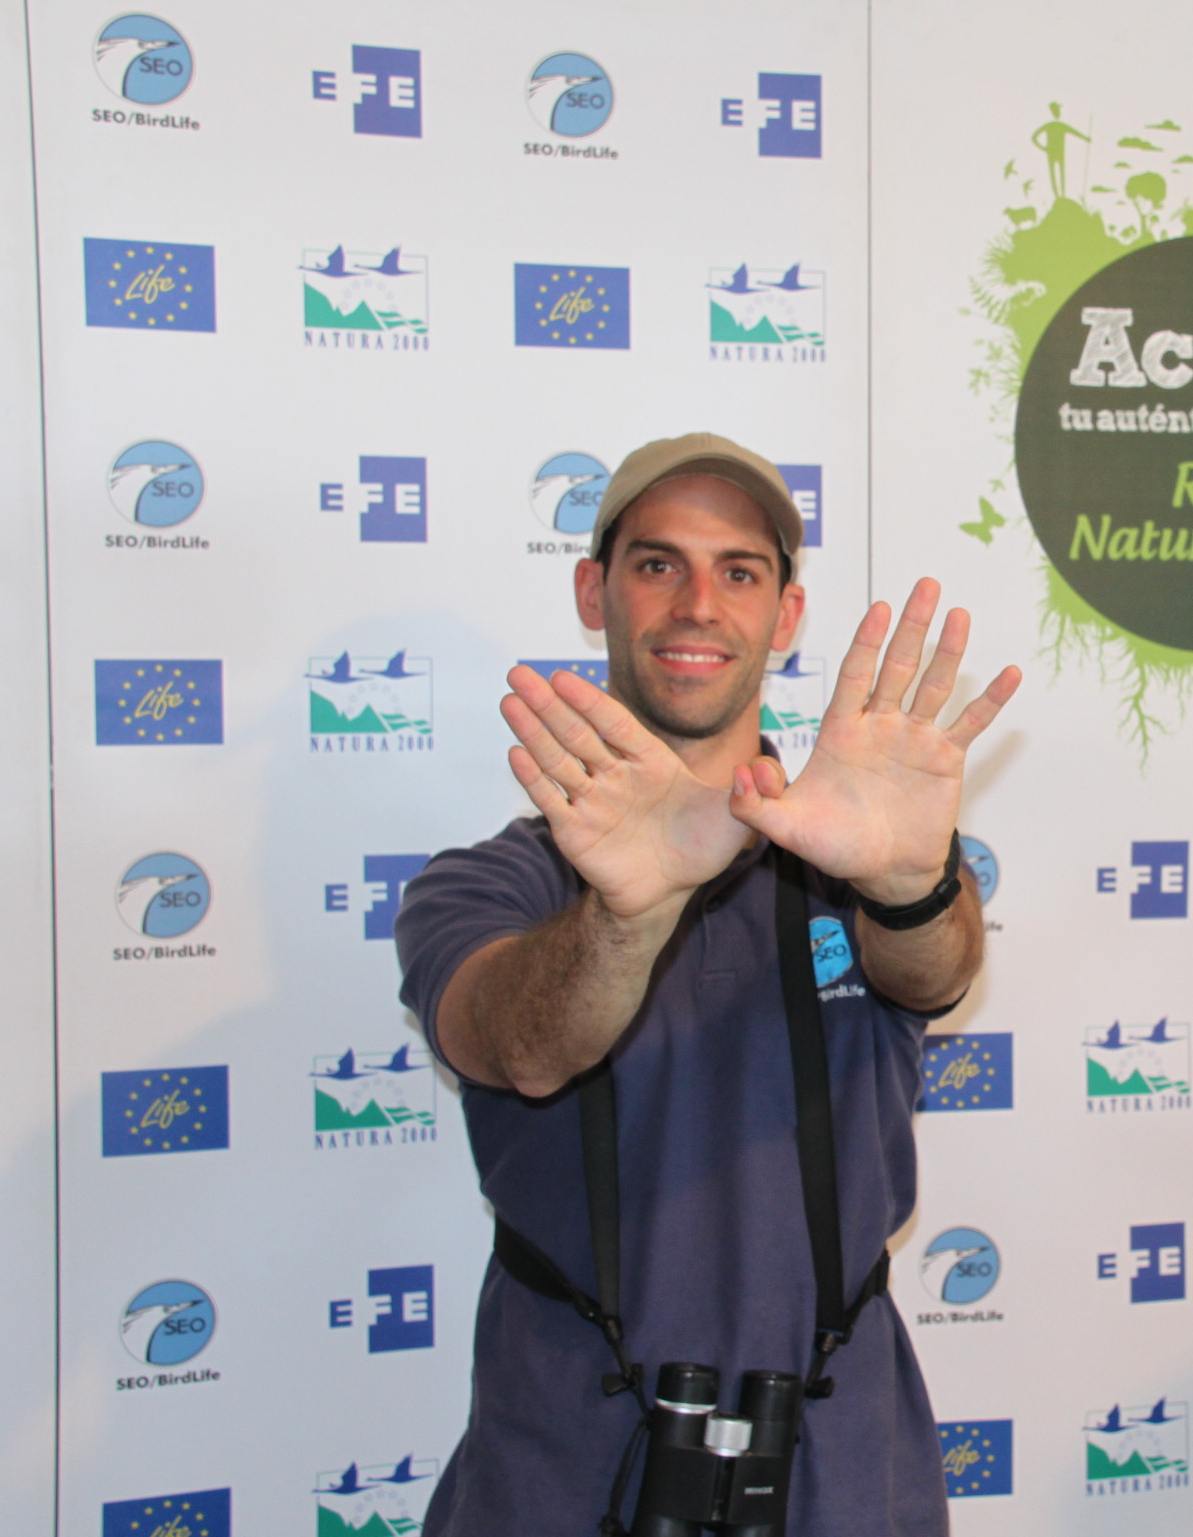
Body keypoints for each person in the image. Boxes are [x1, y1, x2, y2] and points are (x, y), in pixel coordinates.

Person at [394, 431, 1020, 1537]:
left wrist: (911, 879)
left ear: (786, 615)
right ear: (595, 591)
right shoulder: (492, 879)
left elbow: (936, 966)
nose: (697, 604)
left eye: (740, 570)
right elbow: (518, 1040)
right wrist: (626, 910)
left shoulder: (854, 842)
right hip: (563, 1464)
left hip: (841, 1457)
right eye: (656, 564)